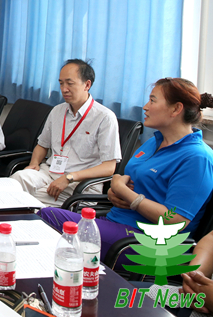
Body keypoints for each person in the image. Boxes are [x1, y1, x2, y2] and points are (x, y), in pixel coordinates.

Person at [39, 78, 213, 263]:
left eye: (153, 101)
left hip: (147, 242)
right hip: (118, 223)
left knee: (47, 217)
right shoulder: (154, 142)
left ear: (176, 109)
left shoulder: (197, 157)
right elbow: (131, 182)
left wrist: (125, 193)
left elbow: (175, 220)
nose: (145, 107)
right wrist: (114, 193)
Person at [10, 59, 121, 206]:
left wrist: (69, 177)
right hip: (49, 173)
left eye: (70, 83)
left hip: (79, 185)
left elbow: (109, 167)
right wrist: (34, 163)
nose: (64, 89)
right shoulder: (57, 111)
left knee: (23, 198)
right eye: (61, 83)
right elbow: (42, 145)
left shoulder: (104, 117)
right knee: (16, 181)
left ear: (87, 85)